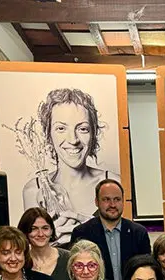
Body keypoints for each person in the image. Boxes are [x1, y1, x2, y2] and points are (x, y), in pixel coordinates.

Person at [21, 88, 121, 244]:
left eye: (82, 129)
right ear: (49, 135)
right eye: (61, 128)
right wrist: (47, 239)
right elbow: (29, 252)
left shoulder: (113, 183)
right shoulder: (35, 189)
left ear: (93, 134)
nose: (73, 139)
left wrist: (95, 233)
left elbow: (126, 243)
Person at [69, 179, 151, 280]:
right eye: (106, 199)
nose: (112, 204)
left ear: (123, 201)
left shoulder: (139, 233)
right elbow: (75, 271)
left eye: (117, 199)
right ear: (96, 202)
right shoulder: (82, 233)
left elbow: (147, 271)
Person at [17, 207, 71, 280]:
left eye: (45, 228)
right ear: (25, 232)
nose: (40, 234)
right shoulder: (20, 263)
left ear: (52, 230)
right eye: (34, 229)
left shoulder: (69, 259)